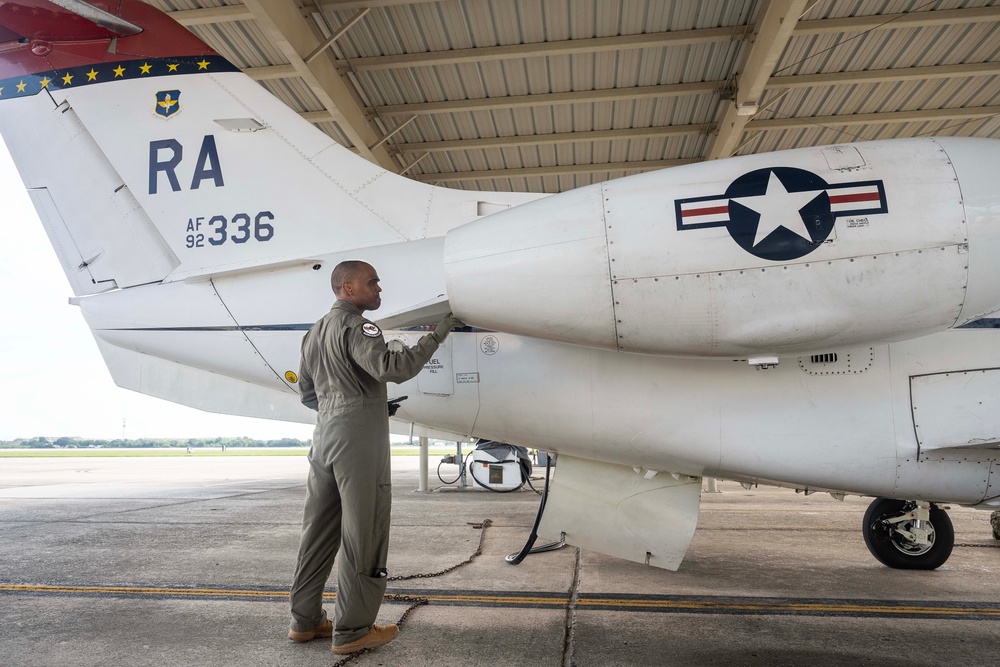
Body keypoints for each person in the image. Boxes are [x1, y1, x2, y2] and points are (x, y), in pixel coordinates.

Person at [287, 260, 463, 655]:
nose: (380, 288)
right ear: (348, 288)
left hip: (325, 436)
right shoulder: (359, 326)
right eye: (372, 282)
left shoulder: (313, 333)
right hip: (357, 438)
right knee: (363, 530)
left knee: (317, 532)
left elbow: (308, 395)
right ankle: (352, 630)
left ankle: (305, 621)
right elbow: (391, 367)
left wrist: (342, 407)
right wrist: (439, 333)